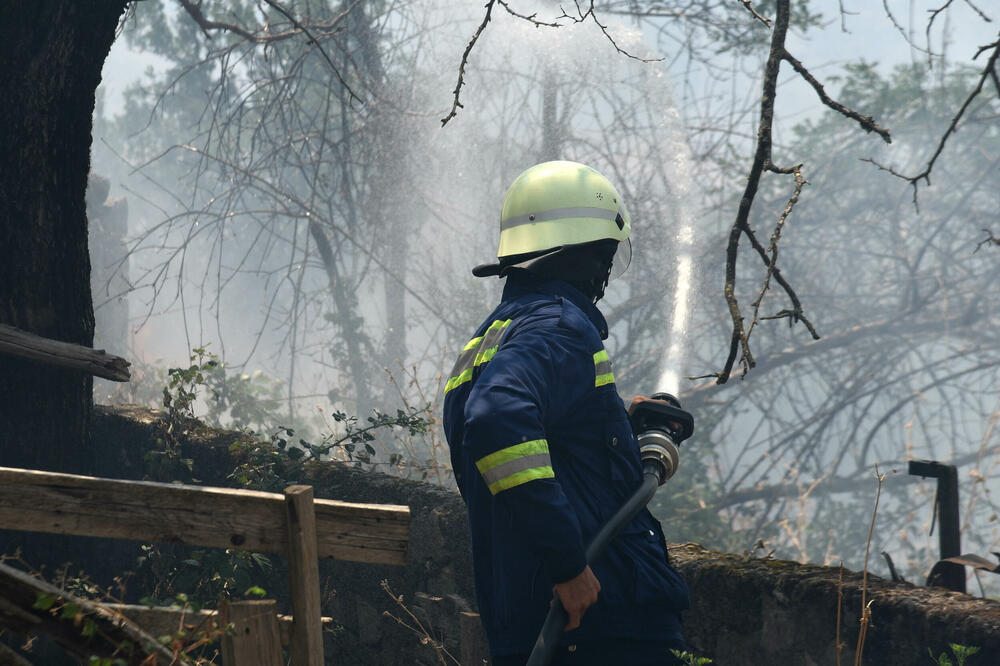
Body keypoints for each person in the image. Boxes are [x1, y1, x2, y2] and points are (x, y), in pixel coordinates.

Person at [442, 161, 690, 665]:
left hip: (530, 617)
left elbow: (544, 426)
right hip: (599, 622)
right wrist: (568, 565)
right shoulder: (559, 327)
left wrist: (622, 416)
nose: (605, 273)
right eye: (606, 255)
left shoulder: (493, 338)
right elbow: (496, 420)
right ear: (588, 254)